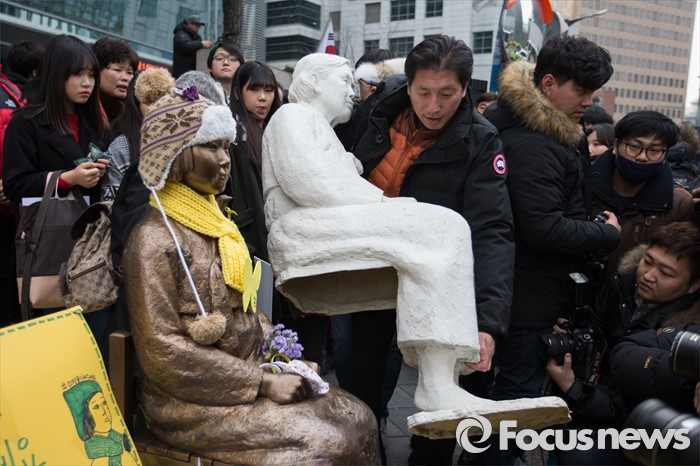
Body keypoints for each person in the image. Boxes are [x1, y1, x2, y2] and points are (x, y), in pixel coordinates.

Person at [121, 80, 379, 464]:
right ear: (176, 155)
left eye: (226, 147)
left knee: (360, 417)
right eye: (210, 147)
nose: (224, 159)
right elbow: (163, 350)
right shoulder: (152, 238)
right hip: (189, 401)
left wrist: (284, 359)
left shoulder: (218, 224)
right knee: (327, 443)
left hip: (250, 373)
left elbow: (248, 312)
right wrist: (263, 382)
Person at [482, 34, 620, 463]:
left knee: (505, 395)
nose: (588, 102)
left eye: (593, 92)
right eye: (581, 91)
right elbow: (542, 228)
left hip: (523, 288)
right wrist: (605, 234)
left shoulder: (544, 128)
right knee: (516, 398)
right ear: (547, 84)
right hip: (525, 294)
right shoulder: (535, 143)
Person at [546, 221, 700, 464]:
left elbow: (641, 406)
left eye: (666, 273)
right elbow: (595, 336)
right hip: (592, 400)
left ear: (693, 286)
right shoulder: (622, 284)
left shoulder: (687, 341)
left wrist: (576, 390)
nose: (648, 275)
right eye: (647, 261)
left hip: (638, 432)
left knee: (581, 457)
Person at [2, 35, 111, 334]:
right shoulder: (26, 123)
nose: (87, 83)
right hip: (49, 247)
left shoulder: (97, 125)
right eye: (77, 74)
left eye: (91, 75)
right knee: (57, 332)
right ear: (56, 74)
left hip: (94, 251)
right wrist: (66, 179)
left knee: (97, 335)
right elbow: (15, 185)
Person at [592, 111, 695, 278]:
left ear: (665, 155)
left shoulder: (679, 204)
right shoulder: (582, 186)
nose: (642, 157)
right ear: (616, 146)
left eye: (654, 150)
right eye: (634, 147)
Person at [92, 37, 139, 122]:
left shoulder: (133, 112)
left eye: (129, 72)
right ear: (98, 70)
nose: (125, 78)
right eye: (118, 70)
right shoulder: (85, 105)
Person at [172, 14, 213, 79]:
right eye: (196, 25)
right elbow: (186, 46)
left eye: (199, 26)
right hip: (181, 73)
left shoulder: (196, 37)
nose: (198, 27)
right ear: (190, 23)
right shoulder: (180, 34)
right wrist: (201, 44)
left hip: (191, 72)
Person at [207, 40, 244, 104]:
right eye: (219, 58)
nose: (226, 63)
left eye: (232, 59)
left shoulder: (248, 98)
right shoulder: (201, 97)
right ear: (210, 67)